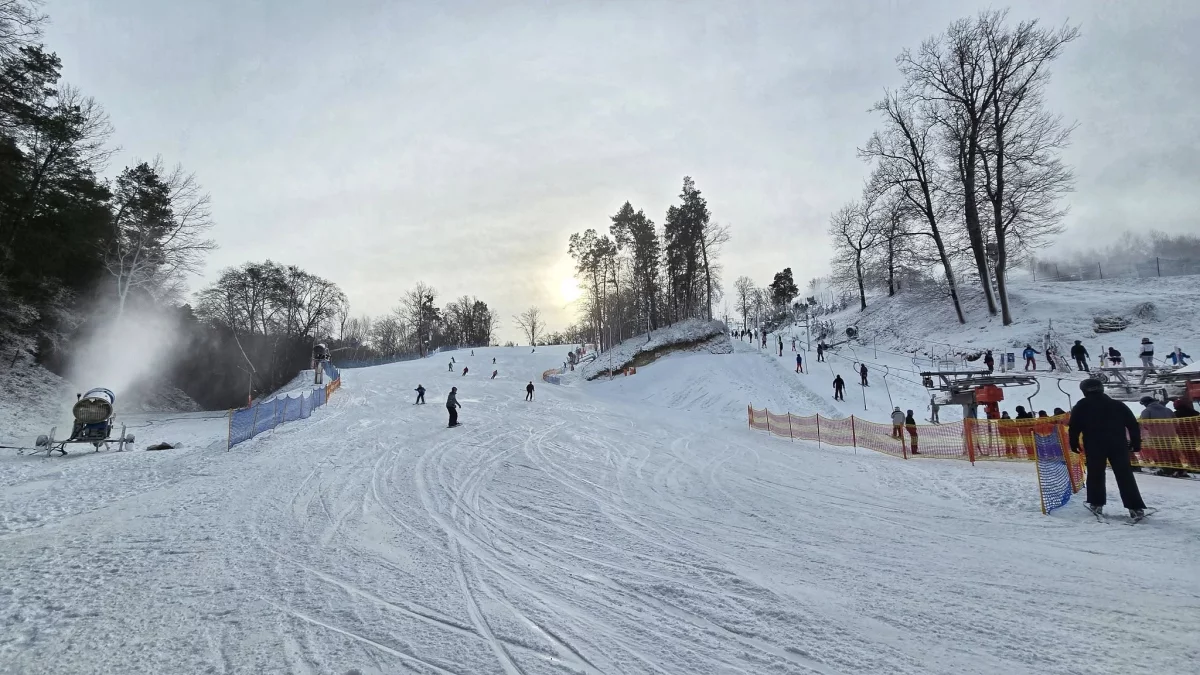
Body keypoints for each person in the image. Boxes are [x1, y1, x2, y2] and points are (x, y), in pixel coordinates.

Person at [1069, 378, 1147, 519]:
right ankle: (1135, 507)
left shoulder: (1081, 406)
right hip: (1118, 445)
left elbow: (1074, 427)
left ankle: (1096, 504)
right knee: (1125, 475)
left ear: (1084, 391)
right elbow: (1132, 424)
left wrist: (1073, 442)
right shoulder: (1117, 404)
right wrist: (1136, 442)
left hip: (1094, 445)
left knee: (1095, 474)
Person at [1139, 396, 1184, 477]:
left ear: (1145, 403)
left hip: (1157, 435)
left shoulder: (1147, 411)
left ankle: (1167, 470)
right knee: (1171, 451)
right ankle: (1180, 469)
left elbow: (1145, 424)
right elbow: (1176, 422)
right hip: (1171, 434)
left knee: (1162, 452)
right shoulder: (1168, 410)